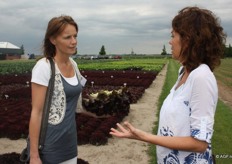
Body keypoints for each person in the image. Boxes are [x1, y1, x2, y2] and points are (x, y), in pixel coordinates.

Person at [110, 6, 226, 163]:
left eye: (173, 36)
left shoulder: (201, 77)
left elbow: (199, 144)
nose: (170, 42)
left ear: (188, 39)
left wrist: (144, 136)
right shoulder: (183, 73)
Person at [29, 15, 86, 164]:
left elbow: (76, 105)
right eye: (68, 37)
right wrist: (34, 156)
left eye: (75, 36)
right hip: (49, 148)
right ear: (53, 40)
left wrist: (102, 111)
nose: (74, 41)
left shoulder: (73, 65)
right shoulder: (44, 67)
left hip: (70, 145)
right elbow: (37, 112)